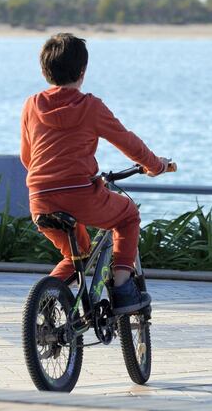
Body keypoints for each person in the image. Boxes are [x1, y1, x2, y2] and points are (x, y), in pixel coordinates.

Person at [20, 33, 172, 314]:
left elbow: (27, 157)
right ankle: (123, 287)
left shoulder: (31, 105)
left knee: (78, 253)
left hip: (40, 198)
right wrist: (156, 165)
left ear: (43, 71)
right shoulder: (90, 106)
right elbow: (129, 143)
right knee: (128, 215)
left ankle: (41, 305)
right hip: (81, 196)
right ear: (82, 71)